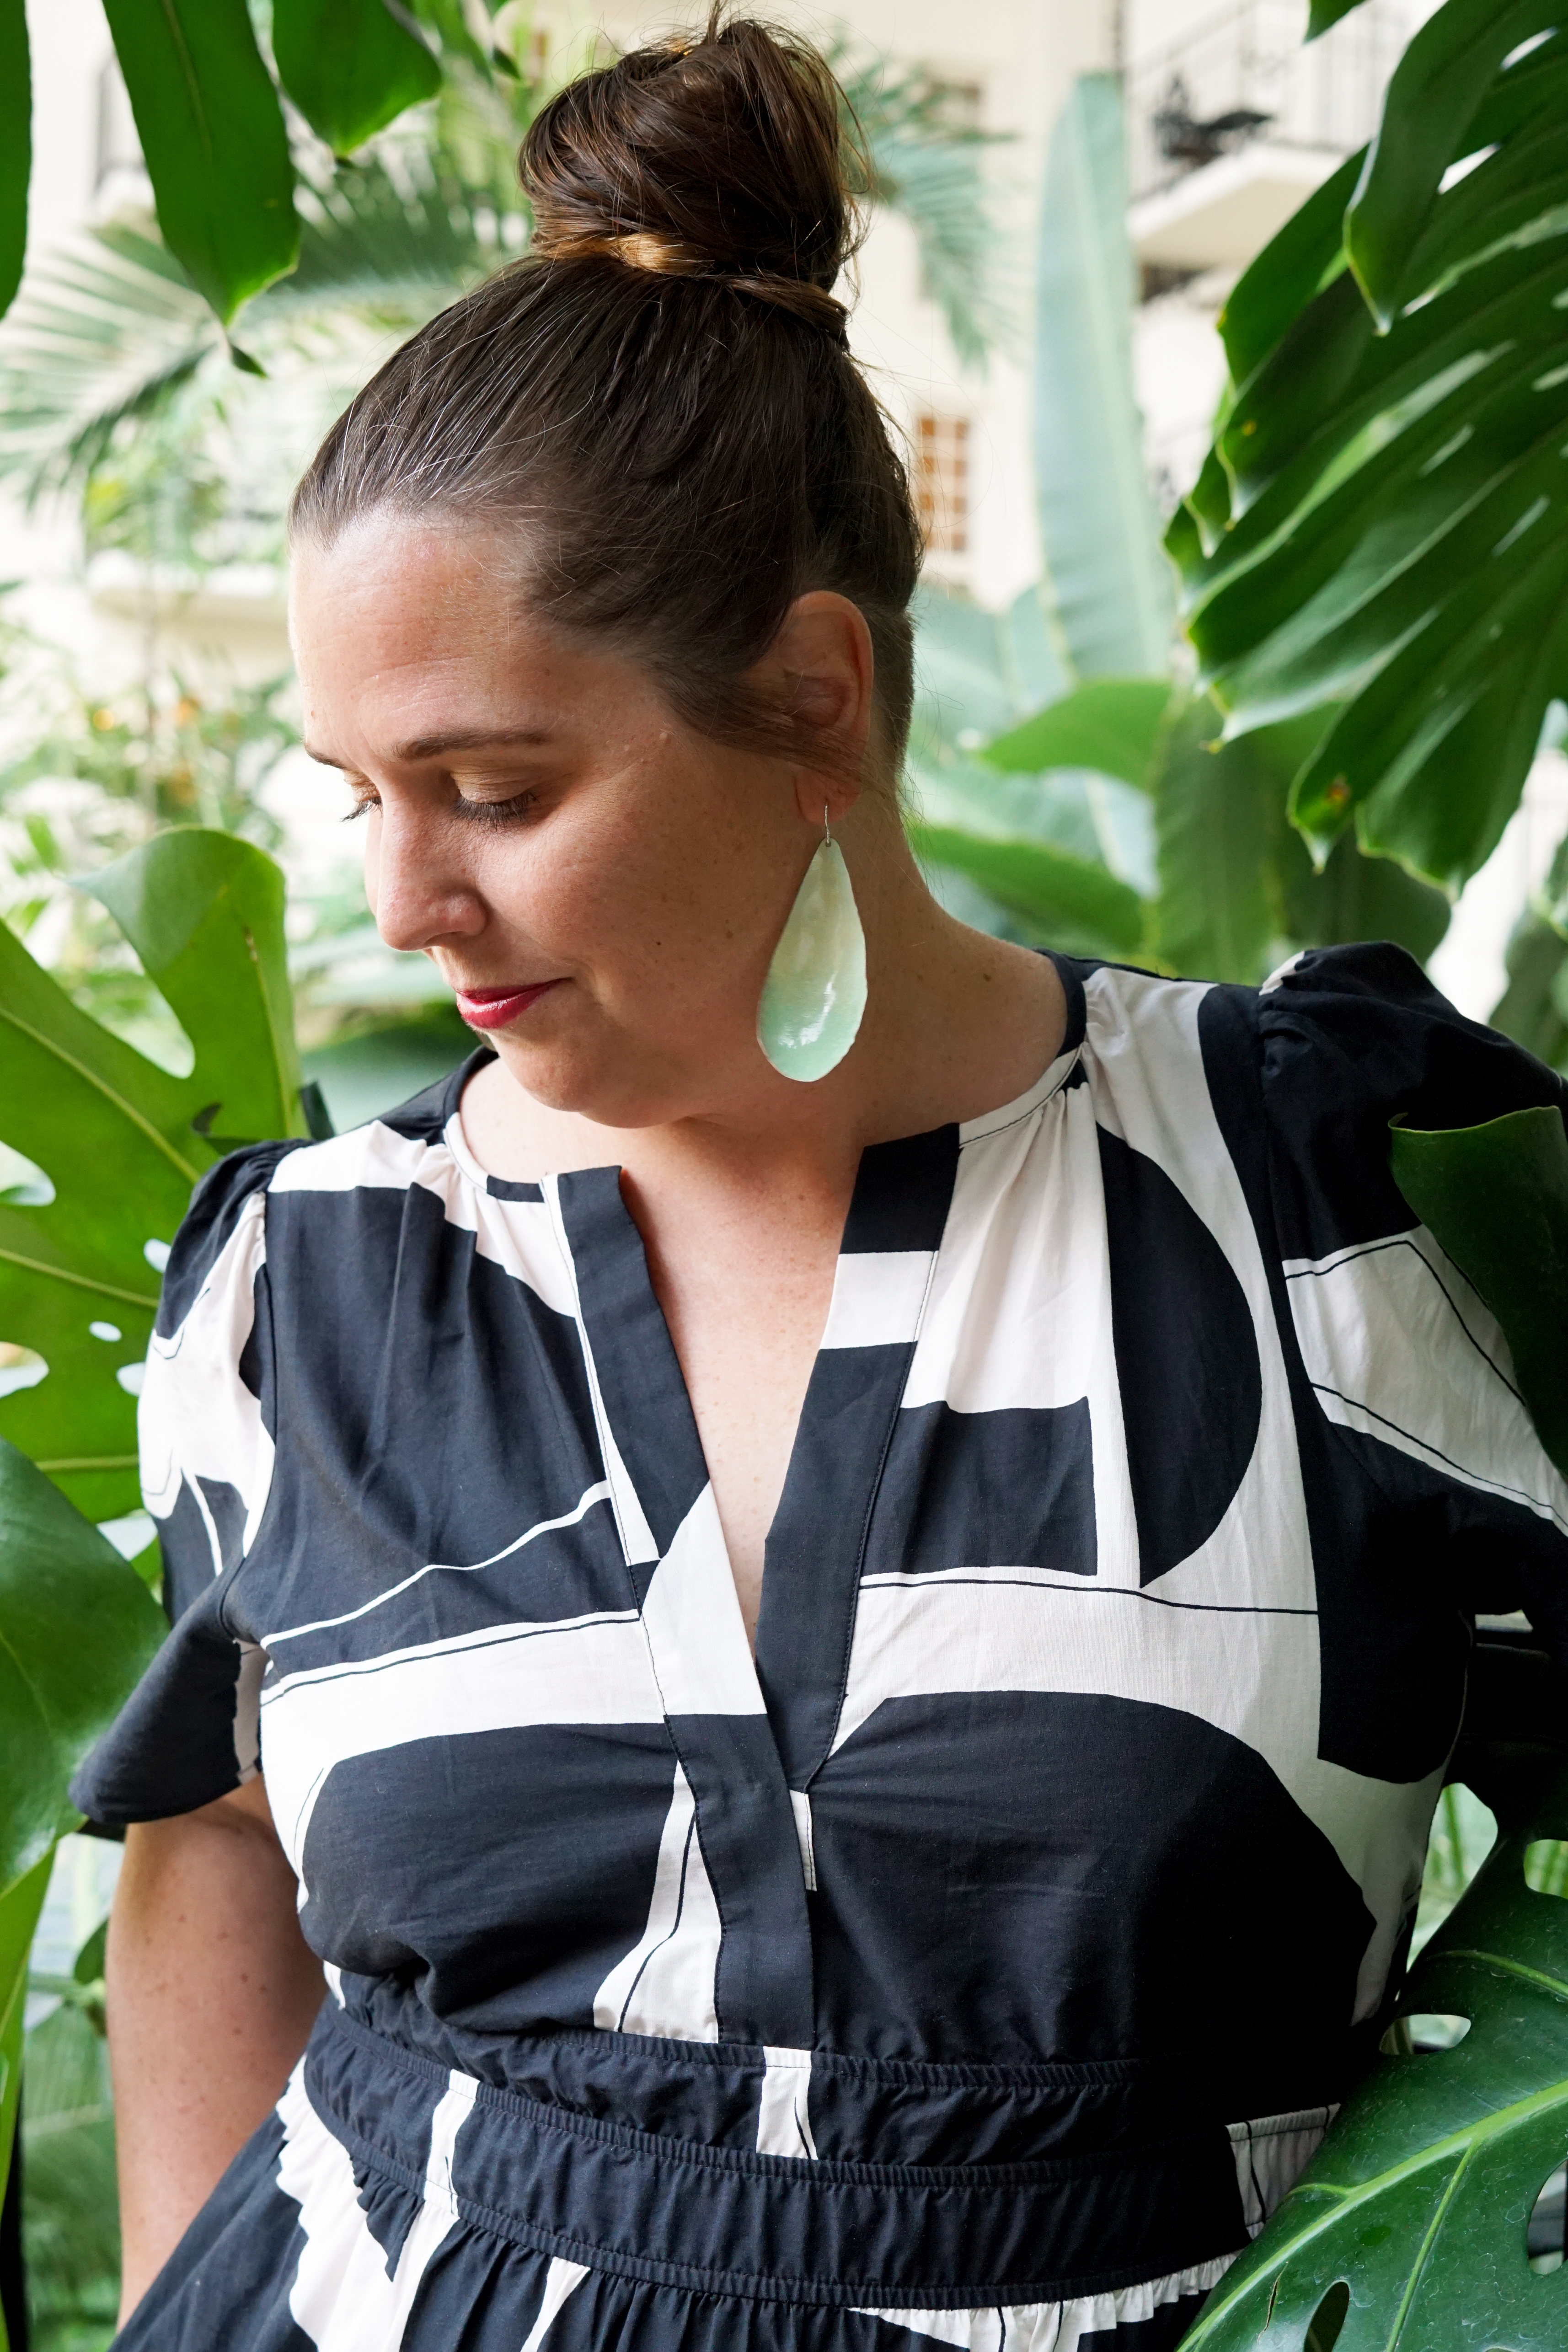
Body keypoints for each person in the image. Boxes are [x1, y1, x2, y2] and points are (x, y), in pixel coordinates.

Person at [76, 16, 1568, 2350]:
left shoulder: (1319, 1199)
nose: (401, 900)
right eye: (357, 787)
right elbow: (216, 1838)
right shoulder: (309, 1285)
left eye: (490, 783)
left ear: (811, 692)